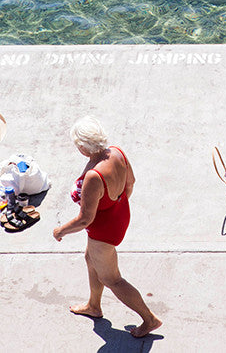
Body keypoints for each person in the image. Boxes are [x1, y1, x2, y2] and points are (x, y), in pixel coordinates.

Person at [53, 117, 161, 338]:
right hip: (118, 214)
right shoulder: (117, 152)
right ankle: (94, 305)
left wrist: (61, 230)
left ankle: (150, 319)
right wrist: (115, 205)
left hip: (103, 231)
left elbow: (85, 219)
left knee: (112, 279)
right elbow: (130, 183)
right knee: (90, 258)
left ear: (83, 148)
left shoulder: (94, 177)